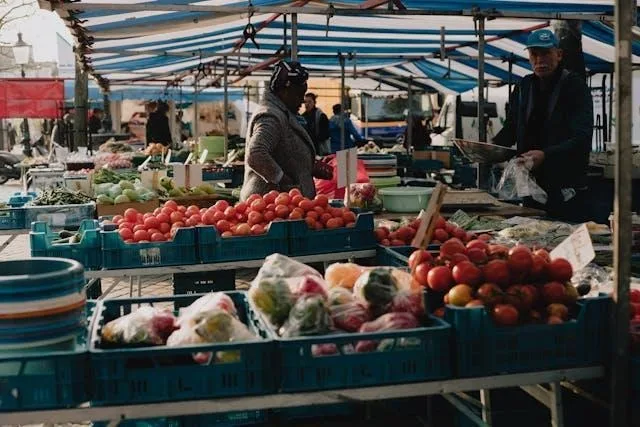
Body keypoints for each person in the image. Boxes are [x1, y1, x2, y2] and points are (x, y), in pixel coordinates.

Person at [492, 29, 593, 222]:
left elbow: (582, 136)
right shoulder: (524, 86)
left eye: (546, 53)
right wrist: (491, 147)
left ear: (559, 54)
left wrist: (546, 155)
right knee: (533, 235)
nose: (540, 60)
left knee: (562, 235)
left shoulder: (574, 86)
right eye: (534, 54)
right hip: (529, 184)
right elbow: (512, 127)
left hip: (565, 186)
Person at [240, 60, 331, 201]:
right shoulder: (271, 116)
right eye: (299, 94)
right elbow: (256, 154)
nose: (302, 100)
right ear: (284, 90)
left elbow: (284, 152)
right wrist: (284, 181)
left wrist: (308, 165)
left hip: (285, 203)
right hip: (271, 205)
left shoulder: (283, 112)